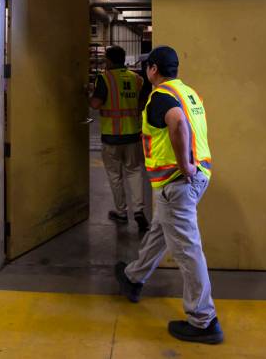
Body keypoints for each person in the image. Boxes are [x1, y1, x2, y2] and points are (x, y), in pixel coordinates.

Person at [114, 46, 223, 345]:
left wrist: (183, 164)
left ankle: (204, 320)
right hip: (195, 179)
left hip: (177, 182)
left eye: (146, 67)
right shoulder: (189, 93)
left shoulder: (161, 97)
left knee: (188, 250)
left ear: (153, 69)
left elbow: (177, 123)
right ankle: (134, 278)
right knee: (160, 230)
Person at [89, 45, 149, 232]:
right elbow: (141, 105)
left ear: (109, 60)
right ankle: (139, 211)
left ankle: (122, 212)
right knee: (135, 171)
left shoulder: (104, 79)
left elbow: (96, 104)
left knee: (115, 176)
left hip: (112, 137)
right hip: (132, 135)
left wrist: (87, 94)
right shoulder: (136, 79)